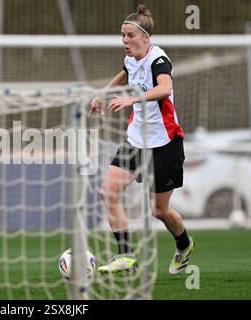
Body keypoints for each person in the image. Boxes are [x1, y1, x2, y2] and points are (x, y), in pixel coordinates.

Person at [91, 5, 195, 275]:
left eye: (130, 36)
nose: (125, 41)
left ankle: (184, 244)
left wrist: (132, 98)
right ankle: (126, 255)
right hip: (136, 140)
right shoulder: (130, 59)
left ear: (146, 37)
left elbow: (165, 88)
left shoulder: (159, 59)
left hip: (164, 143)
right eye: (122, 36)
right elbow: (125, 73)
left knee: (159, 211)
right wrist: (101, 94)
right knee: (108, 192)